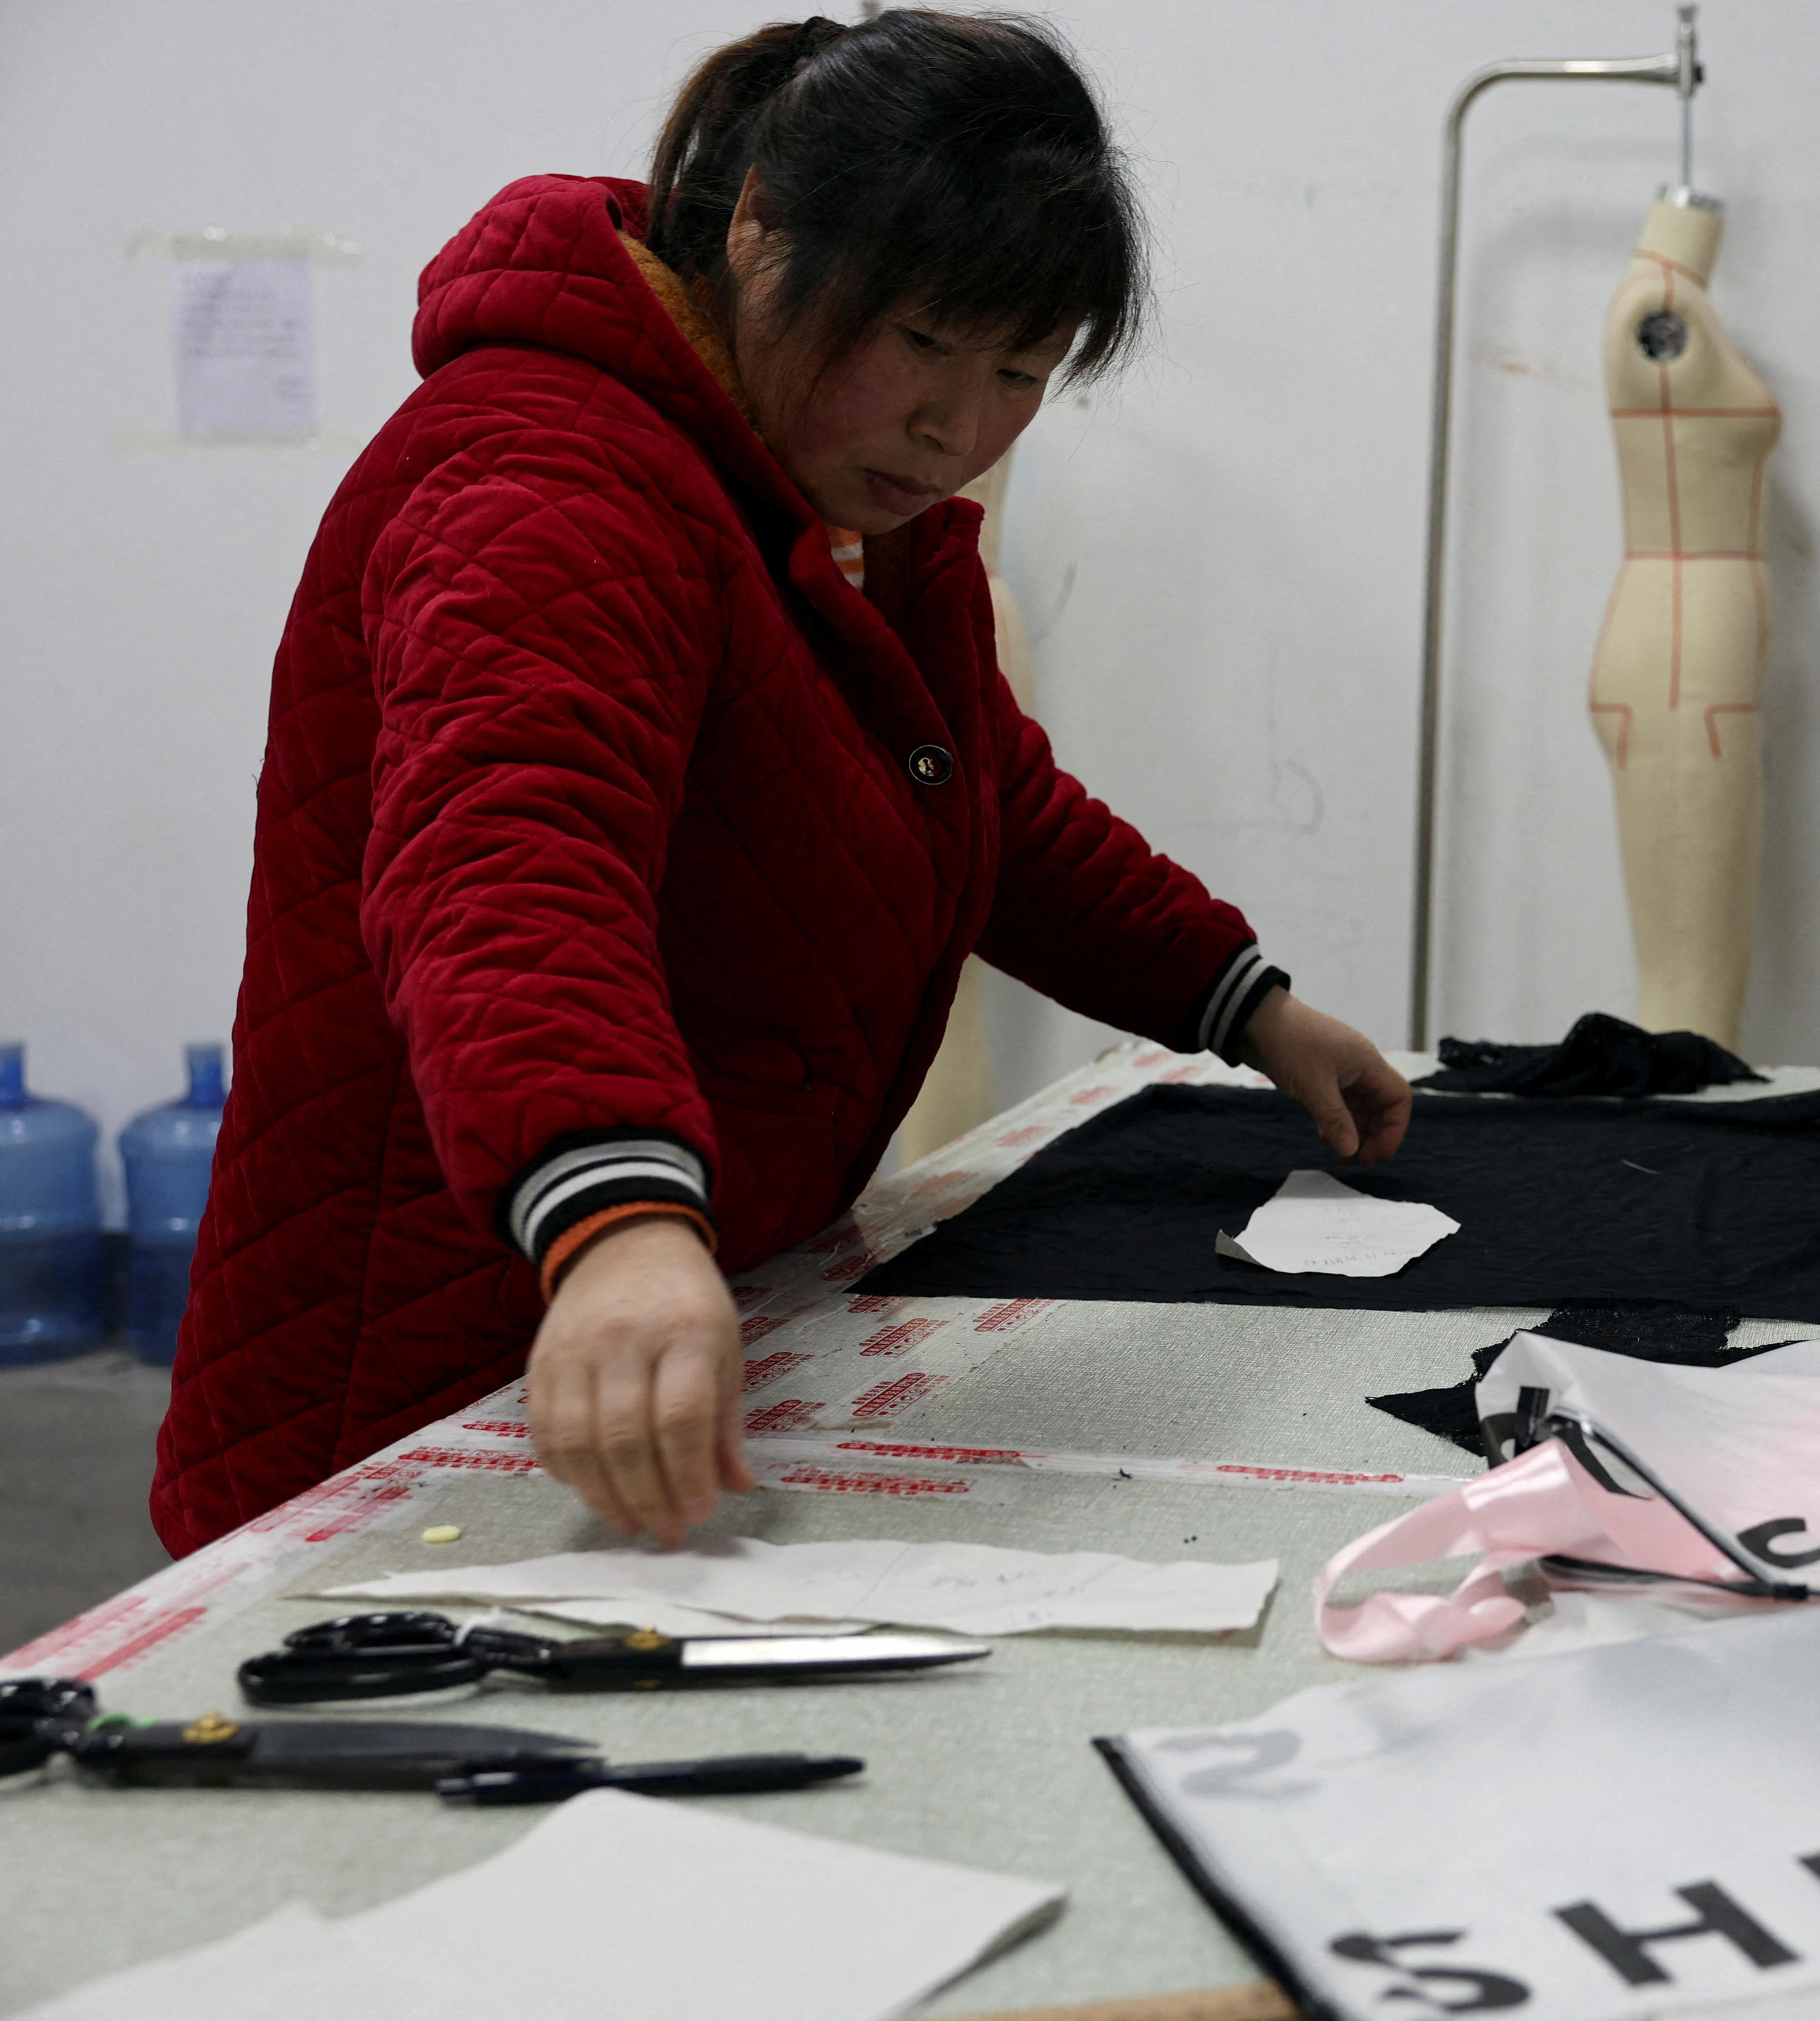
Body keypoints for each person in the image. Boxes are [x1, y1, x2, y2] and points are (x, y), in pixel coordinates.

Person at [150, 11, 1411, 1556]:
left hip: (659, 1314)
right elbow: (512, 864)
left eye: (1021, 369)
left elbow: (982, 802)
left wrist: (1244, 1003)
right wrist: (613, 1221)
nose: (958, 424)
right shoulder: (548, 477)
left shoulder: (810, 512)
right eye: (923, 345)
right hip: (435, 1360)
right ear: (761, 229)